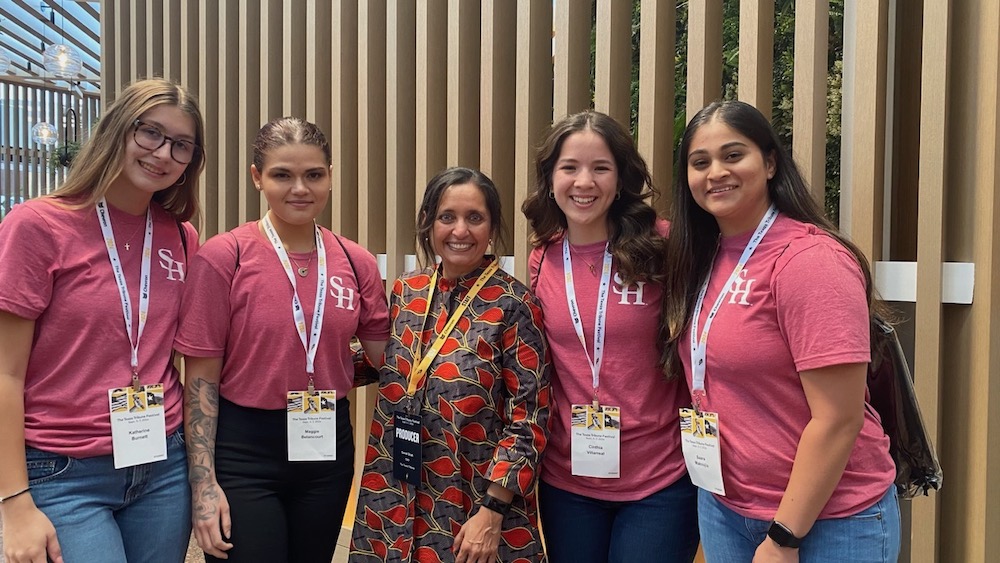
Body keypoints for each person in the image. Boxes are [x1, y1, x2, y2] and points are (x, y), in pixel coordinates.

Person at [663, 100, 899, 562]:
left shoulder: (810, 261)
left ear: (770, 162)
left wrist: (784, 536)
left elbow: (838, 418)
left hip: (828, 521)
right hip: (726, 506)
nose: (716, 173)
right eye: (700, 162)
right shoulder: (702, 257)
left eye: (734, 155)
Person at [0, 78, 205, 563]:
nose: (163, 153)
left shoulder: (182, 237)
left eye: (181, 145)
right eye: (149, 133)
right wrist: (13, 502)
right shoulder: (37, 226)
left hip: (163, 462)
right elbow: (4, 373)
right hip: (62, 469)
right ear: (116, 130)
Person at [174, 117, 390, 563]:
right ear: (257, 178)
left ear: (330, 175)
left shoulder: (357, 261)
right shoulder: (224, 257)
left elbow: (386, 358)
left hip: (326, 443)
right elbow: (200, 382)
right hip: (243, 449)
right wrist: (203, 484)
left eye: (314, 174)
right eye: (282, 175)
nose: (300, 189)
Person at [521, 110, 699, 562]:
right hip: (568, 480)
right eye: (569, 168)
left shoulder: (665, 245)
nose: (584, 182)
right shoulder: (543, 257)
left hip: (659, 477)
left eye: (600, 168)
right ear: (550, 178)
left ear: (620, 179)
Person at [350, 167, 550, 563]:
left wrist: (492, 512)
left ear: (491, 226)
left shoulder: (514, 306)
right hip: (395, 492)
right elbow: (384, 363)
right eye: (448, 217)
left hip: (471, 503)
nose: (460, 230)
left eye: (474, 218)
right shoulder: (407, 292)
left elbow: (530, 418)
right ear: (428, 223)